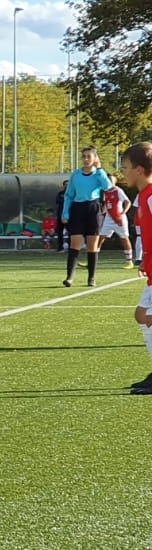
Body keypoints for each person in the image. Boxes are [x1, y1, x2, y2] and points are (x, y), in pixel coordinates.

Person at [116, 143, 152, 394]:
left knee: (148, 317)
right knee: (142, 316)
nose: (123, 172)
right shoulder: (143, 196)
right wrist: (145, 259)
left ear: (139, 169)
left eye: (125, 167)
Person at [62, 147, 114, 287]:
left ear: (95, 158)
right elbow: (69, 195)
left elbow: (108, 187)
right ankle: (69, 277)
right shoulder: (76, 175)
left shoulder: (99, 174)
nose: (85, 159)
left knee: (92, 245)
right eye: (83, 156)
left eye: (89, 156)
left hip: (93, 209)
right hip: (78, 209)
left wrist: (100, 169)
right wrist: (65, 213)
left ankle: (91, 278)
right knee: (75, 244)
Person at [101, 181, 137, 269]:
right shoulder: (105, 191)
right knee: (100, 238)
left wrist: (123, 213)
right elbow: (107, 203)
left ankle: (129, 262)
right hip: (109, 218)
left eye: (111, 181)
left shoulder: (118, 190)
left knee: (124, 238)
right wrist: (103, 211)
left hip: (119, 218)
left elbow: (128, 202)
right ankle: (91, 259)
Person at [54, 181, 69, 252]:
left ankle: (70, 247)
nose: (67, 186)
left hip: (69, 215)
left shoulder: (73, 193)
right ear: (63, 186)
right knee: (60, 232)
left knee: (71, 231)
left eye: (68, 184)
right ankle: (60, 247)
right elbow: (58, 201)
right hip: (61, 215)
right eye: (65, 185)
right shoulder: (60, 193)